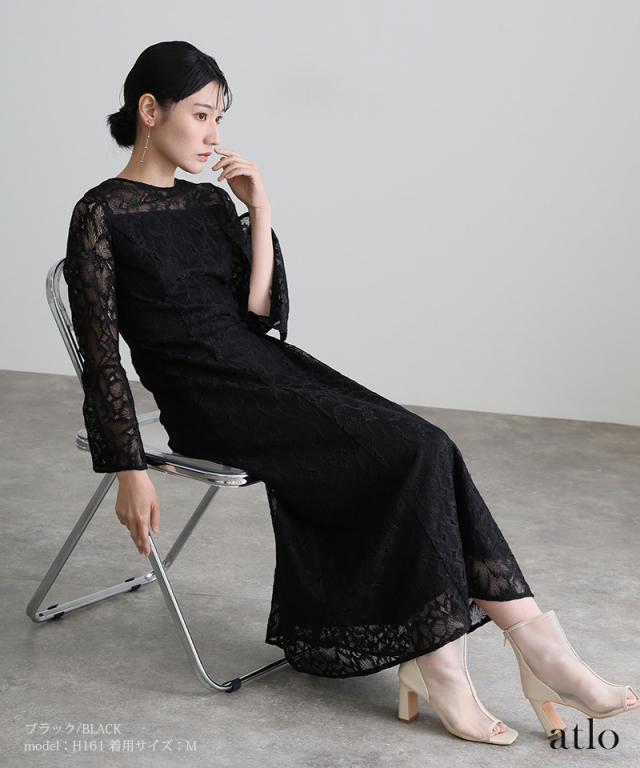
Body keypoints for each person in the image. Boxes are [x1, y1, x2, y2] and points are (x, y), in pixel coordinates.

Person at [63, 41, 639, 745]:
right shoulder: (101, 212)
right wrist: (129, 468)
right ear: (151, 111)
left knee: (426, 445)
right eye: (202, 115)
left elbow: (257, 315)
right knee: (411, 450)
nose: (214, 134)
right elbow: (101, 356)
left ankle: (511, 653)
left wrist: (259, 209)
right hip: (206, 400)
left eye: (220, 118)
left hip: (268, 370)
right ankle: (492, 659)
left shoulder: (210, 201)